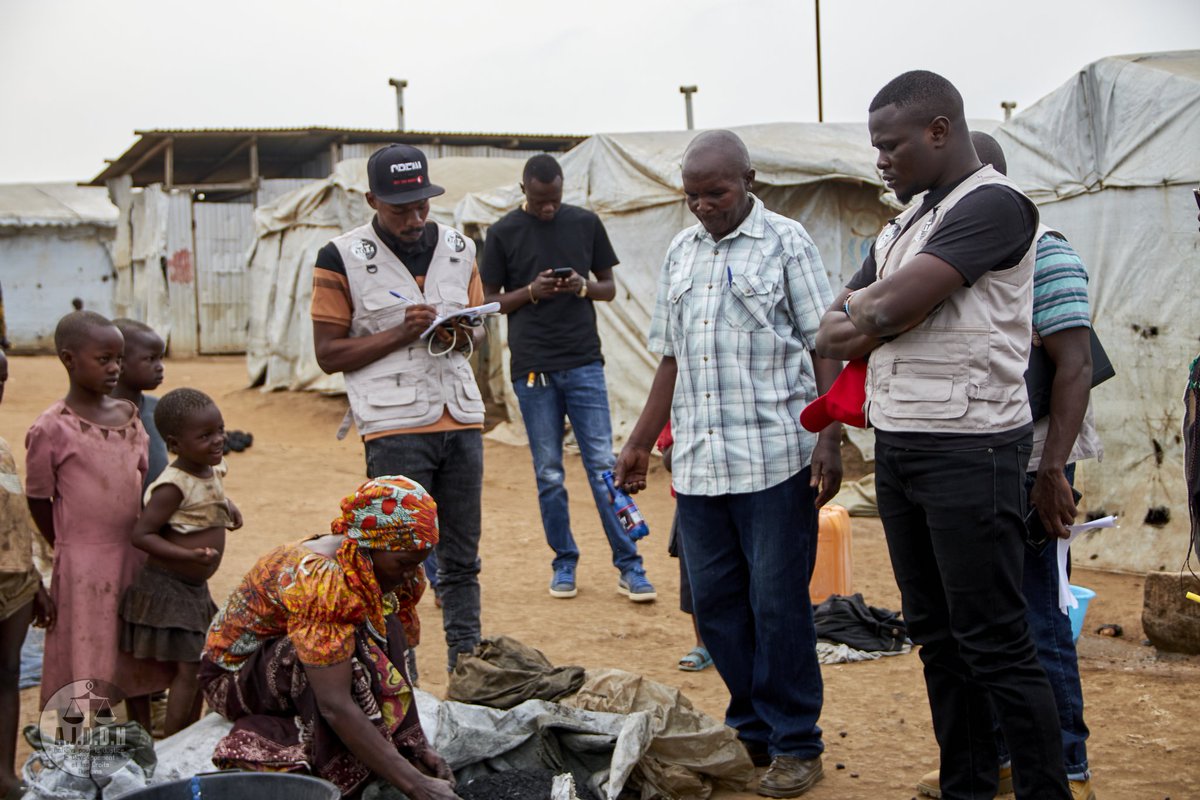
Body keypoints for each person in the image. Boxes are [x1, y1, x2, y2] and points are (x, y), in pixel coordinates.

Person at [814, 71, 1070, 799]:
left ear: (939, 131)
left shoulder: (995, 205)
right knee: (937, 638)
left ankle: (1046, 789)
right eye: (874, 147)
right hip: (902, 447)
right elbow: (834, 327)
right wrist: (877, 312)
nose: (880, 161)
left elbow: (883, 312)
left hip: (970, 449)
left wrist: (877, 313)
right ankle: (967, 786)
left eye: (890, 145)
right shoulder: (904, 225)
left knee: (995, 642)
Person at [615, 130, 843, 798]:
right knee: (714, 607)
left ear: (749, 180)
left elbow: (823, 339)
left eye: (715, 192)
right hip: (703, 463)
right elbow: (670, 358)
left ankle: (797, 741)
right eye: (692, 196)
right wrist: (639, 440)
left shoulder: (787, 242)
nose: (703, 206)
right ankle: (751, 728)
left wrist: (829, 433)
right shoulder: (681, 253)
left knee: (777, 606)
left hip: (777, 458)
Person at [911, 131, 1100, 800]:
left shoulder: (1046, 252)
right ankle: (995, 761)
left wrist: (1051, 474)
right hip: (969, 462)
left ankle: (1065, 763)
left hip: (1032, 464)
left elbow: (1074, 367)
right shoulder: (932, 251)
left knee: (1036, 618)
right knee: (977, 627)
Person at [312, 143, 486, 672]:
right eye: (399, 209)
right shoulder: (338, 256)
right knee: (392, 561)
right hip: (393, 427)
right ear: (371, 200)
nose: (414, 219)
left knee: (461, 557)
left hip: (462, 419)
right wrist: (399, 332)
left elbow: (475, 326)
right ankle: (397, 674)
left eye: (422, 206)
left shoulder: (460, 247)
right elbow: (328, 353)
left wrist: (460, 332)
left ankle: (468, 665)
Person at [199, 476, 458, 800]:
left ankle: (385, 746)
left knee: (382, 626)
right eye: (404, 563)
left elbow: (394, 657)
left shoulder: (368, 567)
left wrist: (415, 745)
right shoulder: (322, 581)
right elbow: (335, 704)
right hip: (233, 676)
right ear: (368, 544)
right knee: (344, 666)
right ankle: (332, 763)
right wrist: (415, 785)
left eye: (419, 563)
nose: (411, 574)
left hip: (281, 660)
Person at [481, 154, 654, 601]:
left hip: (583, 363)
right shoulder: (501, 233)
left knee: (602, 467)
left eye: (554, 200)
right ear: (525, 191)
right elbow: (492, 302)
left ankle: (630, 566)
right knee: (550, 474)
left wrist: (580, 285)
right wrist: (531, 293)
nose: (548, 209)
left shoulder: (585, 223)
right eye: (540, 201)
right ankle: (564, 562)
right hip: (533, 369)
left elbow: (609, 289)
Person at [25, 311, 171, 725]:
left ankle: (142, 747)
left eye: (119, 359)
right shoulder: (52, 428)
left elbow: (139, 485)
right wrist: (66, 546)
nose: (114, 368)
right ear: (69, 359)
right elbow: (38, 498)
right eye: (103, 359)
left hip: (132, 556)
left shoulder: (130, 418)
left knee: (133, 653)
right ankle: (76, 753)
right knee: (86, 652)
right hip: (83, 562)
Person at [120, 388, 243, 736]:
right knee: (189, 670)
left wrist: (228, 508)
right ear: (174, 444)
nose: (218, 440)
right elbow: (142, 535)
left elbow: (211, 495)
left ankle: (184, 735)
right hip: (168, 588)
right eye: (205, 436)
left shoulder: (211, 469)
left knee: (200, 666)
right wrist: (188, 555)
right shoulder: (171, 486)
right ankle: (175, 741)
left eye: (220, 429)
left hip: (193, 590)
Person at [0, 349, 55, 798]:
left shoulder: (1, 448)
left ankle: (4, 776)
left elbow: (18, 520)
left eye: (2, 380)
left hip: (15, 581)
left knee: (8, 676)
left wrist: (36, 581)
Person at [654, 423, 711, 671]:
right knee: (695, 578)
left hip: (747, 494)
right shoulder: (682, 398)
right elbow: (668, 460)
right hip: (694, 497)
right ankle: (704, 644)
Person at [112, 319, 168, 488]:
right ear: (120, 363)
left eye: (160, 358)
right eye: (151, 359)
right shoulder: (99, 418)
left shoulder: (158, 409)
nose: (160, 367)